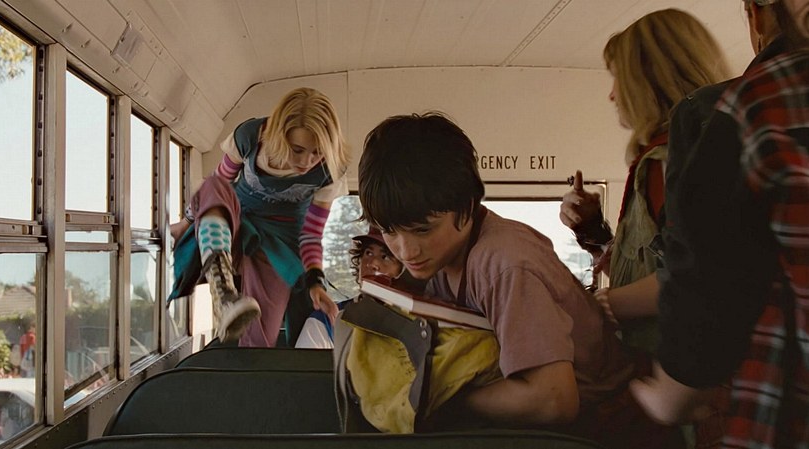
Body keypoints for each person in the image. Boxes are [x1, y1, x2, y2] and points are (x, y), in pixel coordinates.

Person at [355, 112, 682, 448]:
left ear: (467, 203)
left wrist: (441, 397)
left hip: (617, 431)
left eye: (424, 230)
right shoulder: (440, 257)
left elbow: (553, 400)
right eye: (389, 232)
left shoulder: (505, 264)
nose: (406, 250)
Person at [630, 2, 809, 447]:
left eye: (619, 79)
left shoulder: (760, 104)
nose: (614, 95)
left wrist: (676, 385)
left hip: (769, 398)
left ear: (758, 14)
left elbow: (707, 274)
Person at [559, 9, 731, 354]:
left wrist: (597, 307)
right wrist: (594, 232)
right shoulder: (702, 149)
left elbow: (698, 277)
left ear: (648, 81)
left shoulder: (671, 161)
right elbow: (657, 267)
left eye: (618, 78)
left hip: (676, 371)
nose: (612, 95)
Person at [168, 87, 351, 346]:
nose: (307, 161)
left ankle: (239, 332)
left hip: (279, 243)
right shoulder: (250, 138)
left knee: (258, 336)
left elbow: (311, 234)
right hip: (233, 224)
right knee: (214, 184)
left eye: (317, 151)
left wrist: (316, 282)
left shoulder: (330, 170)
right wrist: (186, 222)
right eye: (297, 149)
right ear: (279, 135)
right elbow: (218, 184)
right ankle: (224, 292)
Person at [295, 226, 405, 349]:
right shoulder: (327, 320)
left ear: (404, 270)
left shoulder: (415, 325)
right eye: (368, 253)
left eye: (385, 257)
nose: (372, 263)